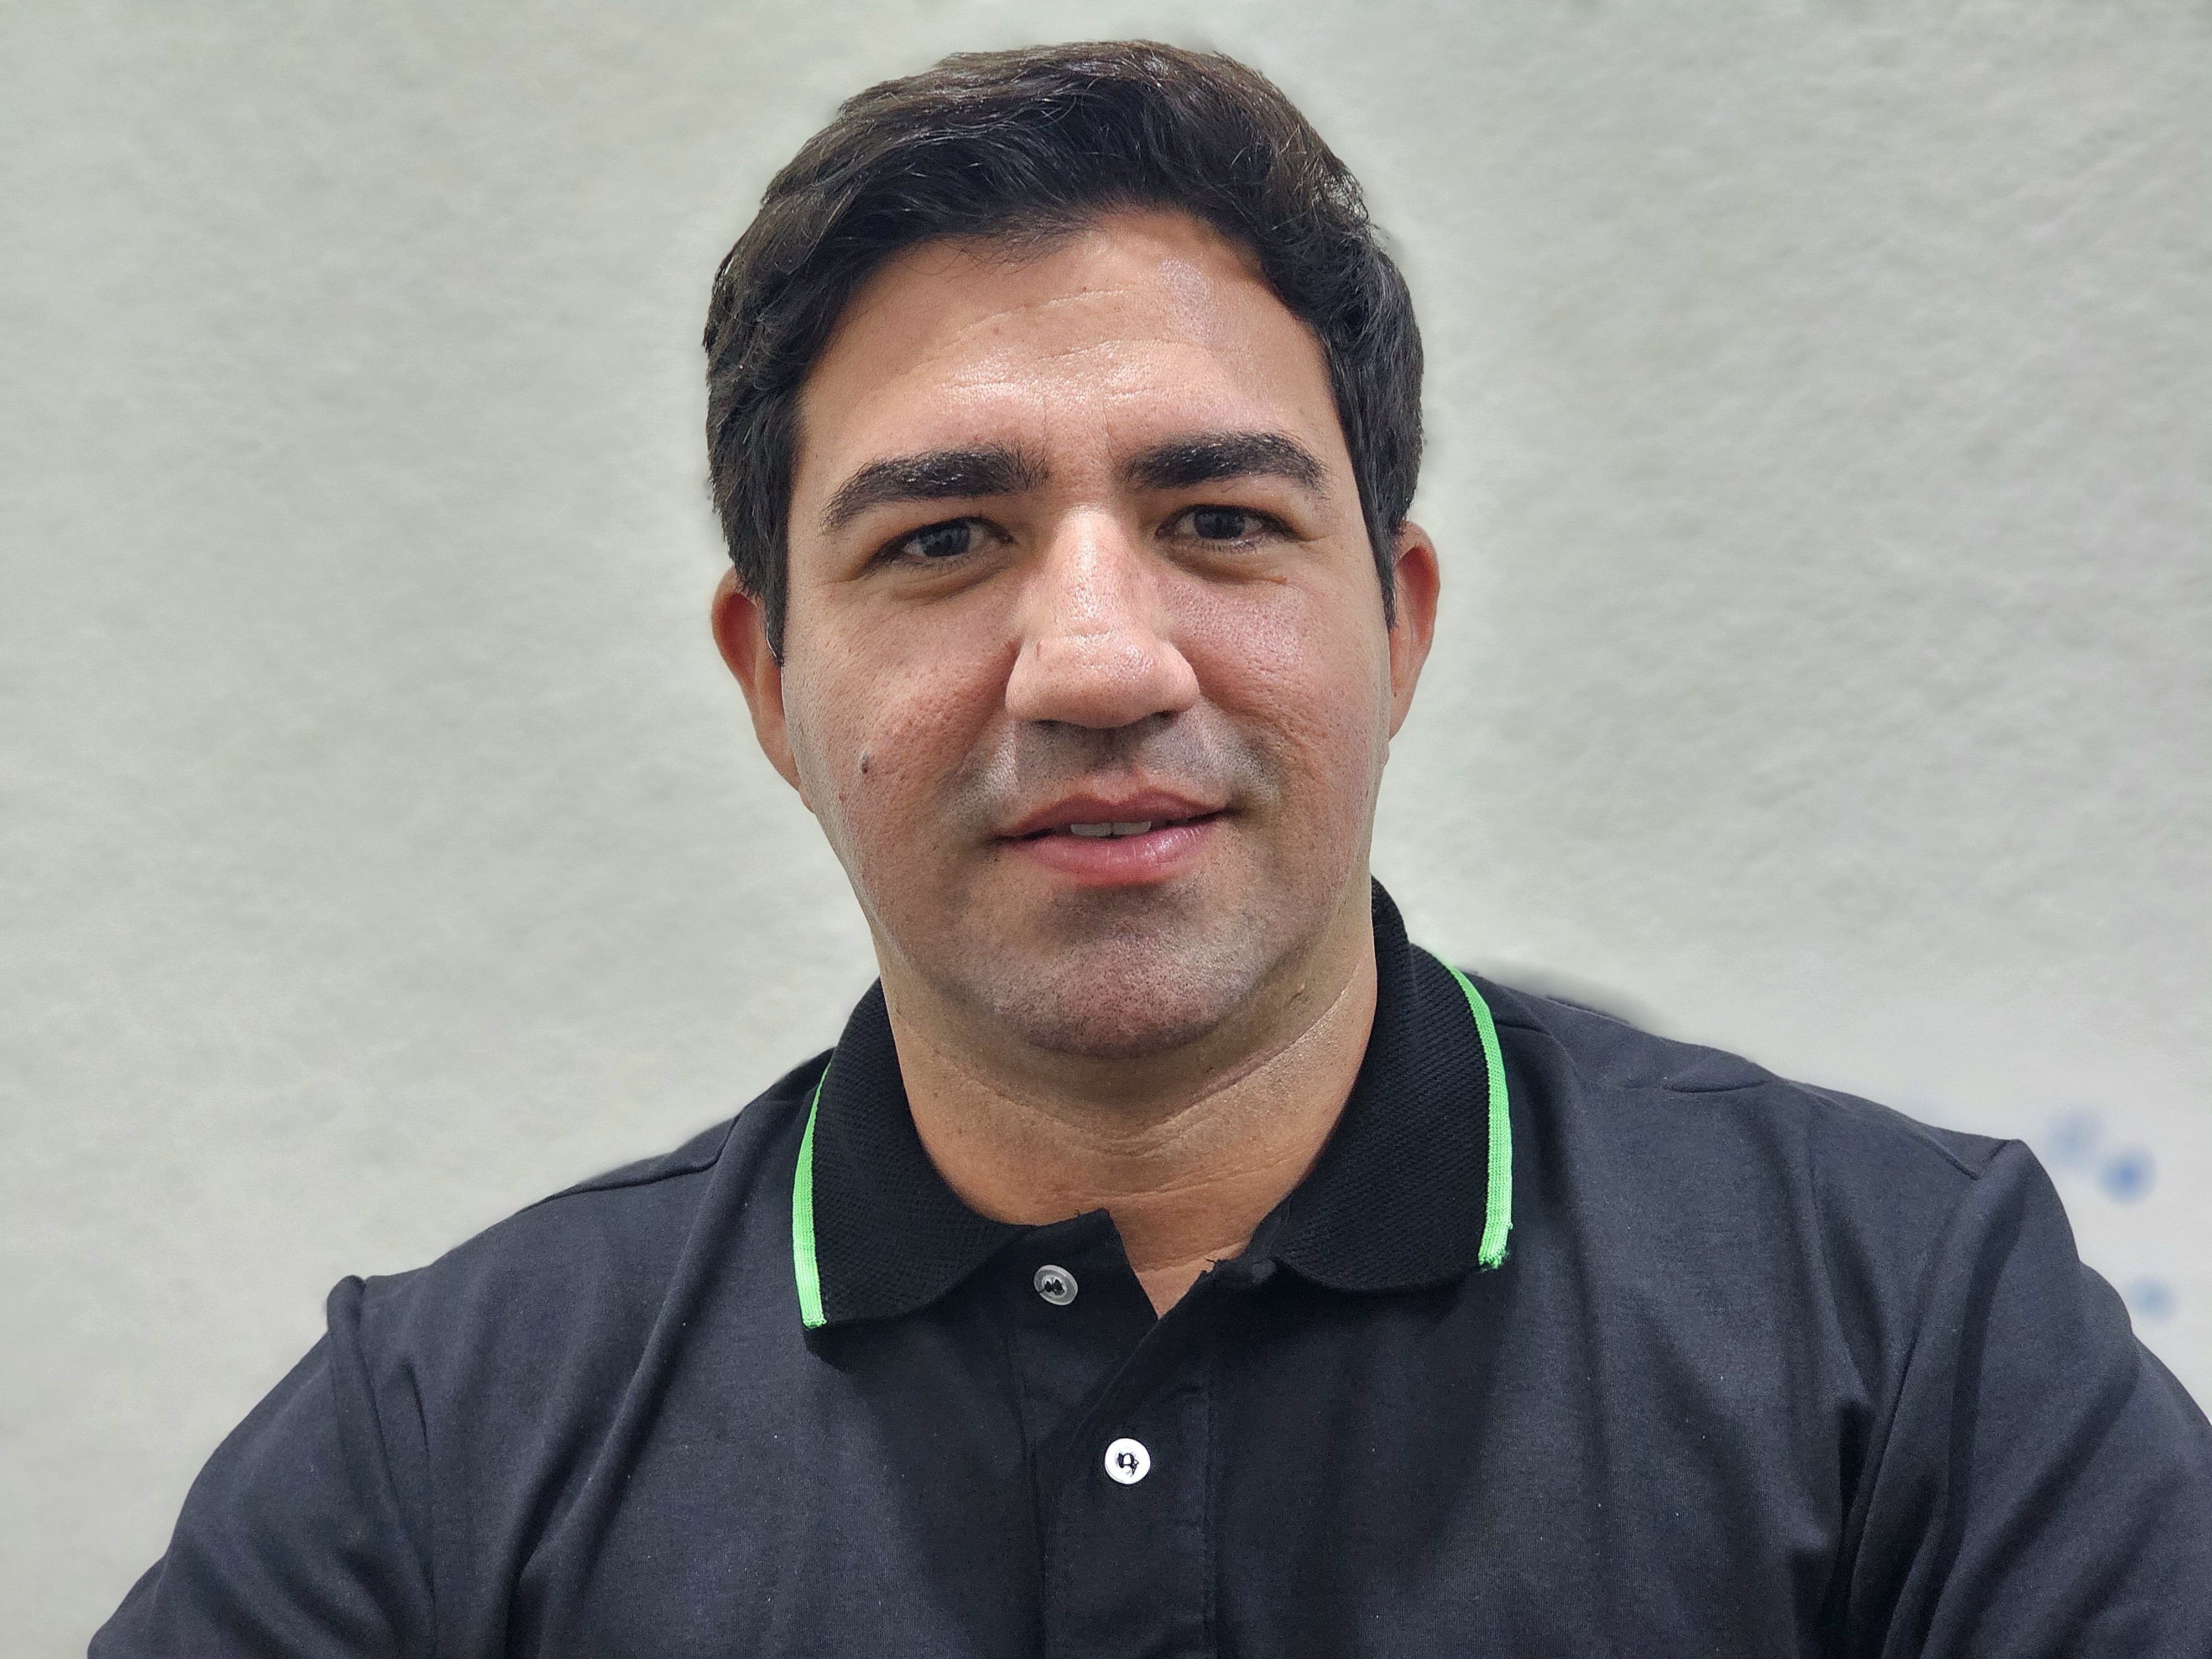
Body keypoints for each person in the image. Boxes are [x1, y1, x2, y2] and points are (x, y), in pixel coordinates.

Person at [95, 40, 2210, 1658]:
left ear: (1398, 628)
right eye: (945, 540)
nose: (1099, 661)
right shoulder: (436, 1451)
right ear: (770, 680)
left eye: (1218, 520)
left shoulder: (1915, 1335)